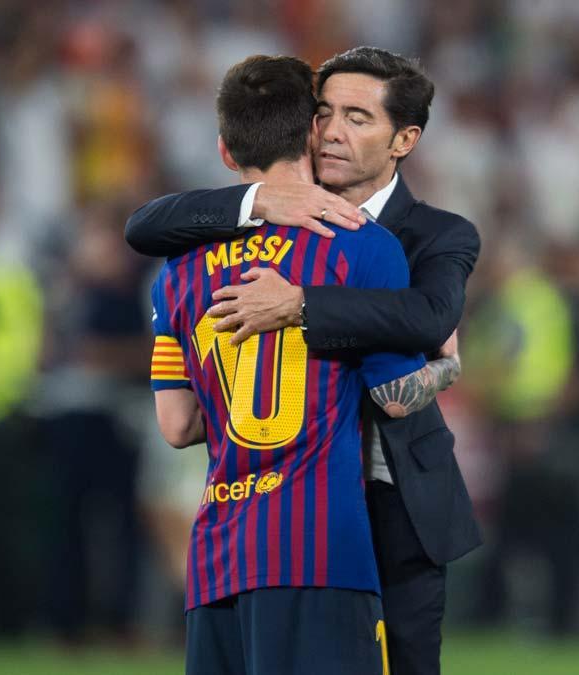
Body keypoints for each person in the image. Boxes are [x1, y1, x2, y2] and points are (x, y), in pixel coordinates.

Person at [127, 46, 479, 675]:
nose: (334, 130)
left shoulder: (439, 233)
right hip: (315, 525)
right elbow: (142, 224)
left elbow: (430, 317)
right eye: (324, 112)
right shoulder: (349, 245)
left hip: (381, 504)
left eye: (358, 117)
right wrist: (259, 202)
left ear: (404, 140)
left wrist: (300, 306)